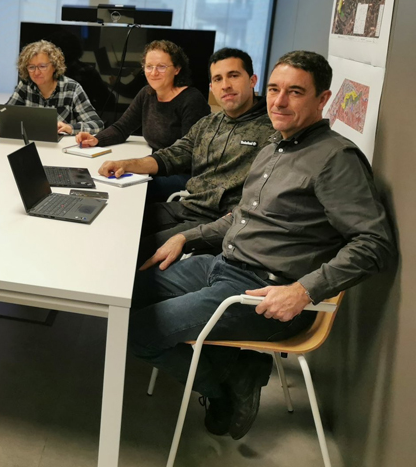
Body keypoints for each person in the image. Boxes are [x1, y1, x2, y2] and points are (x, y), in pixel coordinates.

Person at [128, 51, 395, 440]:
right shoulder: (274, 147)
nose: (279, 101)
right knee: (123, 297)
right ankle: (239, 367)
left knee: (139, 333)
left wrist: (304, 290)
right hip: (222, 265)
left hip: (267, 291)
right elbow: (242, 216)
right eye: (274, 89)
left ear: (323, 100)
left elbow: (374, 243)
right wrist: (188, 236)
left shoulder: (336, 159)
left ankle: (224, 385)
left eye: (295, 92)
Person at [97, 48, 275, 261]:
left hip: (219, 223)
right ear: (212, 87)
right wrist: (126, 164)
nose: (225, 85)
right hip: (188, 207)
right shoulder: (208, 124)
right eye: (218, 79)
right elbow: (172, 155)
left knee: (128, 251)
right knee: (115, 222)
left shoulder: (272, 131)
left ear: (253, 80)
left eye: (234, 76)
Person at [76, 40, 212, 199]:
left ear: (177, 69)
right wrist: (96, 140)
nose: (154, 73)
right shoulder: (147, 93)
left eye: (161, 67)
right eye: (149, 66)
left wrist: (137, 165)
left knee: (125, 188)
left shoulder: (191, 100)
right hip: (156, 165)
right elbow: (122, 127)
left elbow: (187, 157)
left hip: (183, 176)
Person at [6, 39, 105, 135]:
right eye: (31, 67)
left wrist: (71, 128)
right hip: (33, 143)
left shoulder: (72, 88)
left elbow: (97, 125)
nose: (36, 72)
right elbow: (7, 116)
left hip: (61, 147)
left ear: (54, 66)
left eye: (42, 66)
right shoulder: (25, 85)